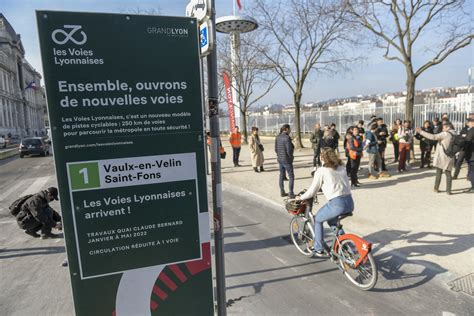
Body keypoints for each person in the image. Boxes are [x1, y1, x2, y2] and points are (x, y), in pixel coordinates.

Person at [297, 147, 354, 257]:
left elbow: (311, 191)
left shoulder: (322, 171)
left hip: (337, 204)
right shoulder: (342, 167)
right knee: (332, 220)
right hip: (350, 202)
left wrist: (300, 198)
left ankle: (318, 248)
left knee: (318, 219)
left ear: (322, 157)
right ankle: (344, 244)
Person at [416, 121, 455, 195]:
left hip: (442, 156)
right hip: (450, 156)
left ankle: (436, 188)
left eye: (444, 127)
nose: (442, 128)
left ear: (448, 127)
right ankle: (448, 191)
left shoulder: (445, 134)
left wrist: (421, 132)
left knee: (439, 172)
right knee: (448, 173)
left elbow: (433, 137)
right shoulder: (455, 133)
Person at [275, 124, 295, 197]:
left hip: (280, 159)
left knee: (281, 175)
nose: (290, 130)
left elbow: (276, 149)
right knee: (291, 176)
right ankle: (291, 193)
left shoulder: (277, 137)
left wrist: (279, 156)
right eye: (289, 129)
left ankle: (282, 192)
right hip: (287, 160)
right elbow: (289, 150)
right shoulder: (287, 138)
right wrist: (291, 158)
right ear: (286, 129)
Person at [463, 118, 474, 193]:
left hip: (471, 153)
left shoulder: (471, 130)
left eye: (468, 123)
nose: (468, 124)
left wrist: (463, 148)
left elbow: (468, 141)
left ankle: (473, 187)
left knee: (472, 170)